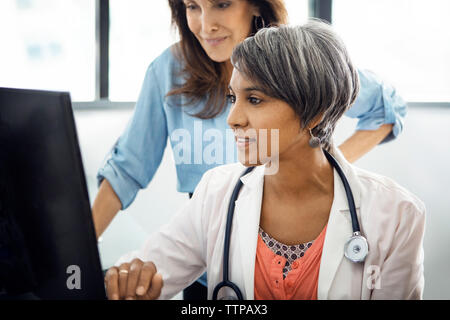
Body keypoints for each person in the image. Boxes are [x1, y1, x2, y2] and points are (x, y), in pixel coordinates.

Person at [93, 0, 407, 299]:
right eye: (192, 7)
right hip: (214, 258)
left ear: (254, 4)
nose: (205, 25)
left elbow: (385, 106)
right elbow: (126, 169)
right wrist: (74, 258)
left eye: (222, 4)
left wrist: (323, 171)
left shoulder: (296, 61)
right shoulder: (169, 70)